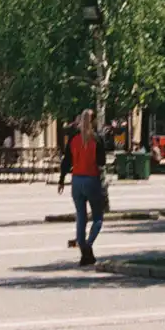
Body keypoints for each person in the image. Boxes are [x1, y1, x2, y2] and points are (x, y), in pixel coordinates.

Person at [58, 109, 107, 266]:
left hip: (76, 181)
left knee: (81, 217)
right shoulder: (97, 140)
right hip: (92, 179)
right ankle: (88, 245)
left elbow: (66, 160)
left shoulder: (73, 139)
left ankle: (84, 251)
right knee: (98, 217)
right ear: (93, 122)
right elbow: (102, 163)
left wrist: (61, 180)